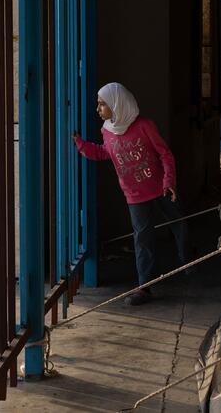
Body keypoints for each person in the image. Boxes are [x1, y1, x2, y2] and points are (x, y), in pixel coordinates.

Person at [73, 82, 190, 306]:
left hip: (161, 187)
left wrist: (169, 181)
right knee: (142, 240)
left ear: (117, 104)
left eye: (102, 104)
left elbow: (165, 154)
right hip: (134, 195)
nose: (98, 109)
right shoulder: (106, 131)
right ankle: (144, 287)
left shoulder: (144, 126)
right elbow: (103, 153)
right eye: (98, 105)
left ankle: (187, 262)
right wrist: (80, 144)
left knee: (179, 222)